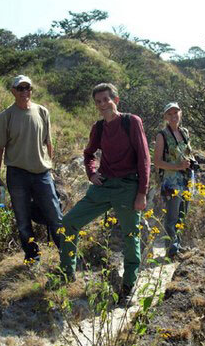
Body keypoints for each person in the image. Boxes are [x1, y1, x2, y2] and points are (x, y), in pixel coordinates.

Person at [58, 83, 150, 303]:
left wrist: (142, 193)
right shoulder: (98, 128)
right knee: (69, 222)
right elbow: (89, 153)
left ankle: (128, 288)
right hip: (104, 185)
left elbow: (144, 158)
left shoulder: (131, 122)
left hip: (128, 186)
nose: (102, 105)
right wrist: (91, 174)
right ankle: (67, 274)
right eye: (98, 101)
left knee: (131, 238)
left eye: (106, 100)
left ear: (115, 100)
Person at [0, 75, 63, 264]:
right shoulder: (6, 116)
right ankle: (32, 257)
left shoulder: (42, 112)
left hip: (42, 173)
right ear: (13, 91)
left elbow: (48, 142)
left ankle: (68, 256)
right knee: (23, 221)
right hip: (17, 175)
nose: (25, 92)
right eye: (20, 88)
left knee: (55, 216)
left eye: (28, 88)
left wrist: (51, 168)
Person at [153, 102, 195, 258]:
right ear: (165, 117)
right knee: (172, 216)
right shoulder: (162, 135)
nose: (173, 116)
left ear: (180, 114)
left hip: (186, 179)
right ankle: (172, 250)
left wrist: (191, 162)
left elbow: (188, 152)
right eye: (169, 114)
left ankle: (178, 245)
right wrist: (178, 166)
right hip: (171, 182)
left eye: (175, 112)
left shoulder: (184, 132)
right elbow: (157, 162)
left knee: (182, 214)